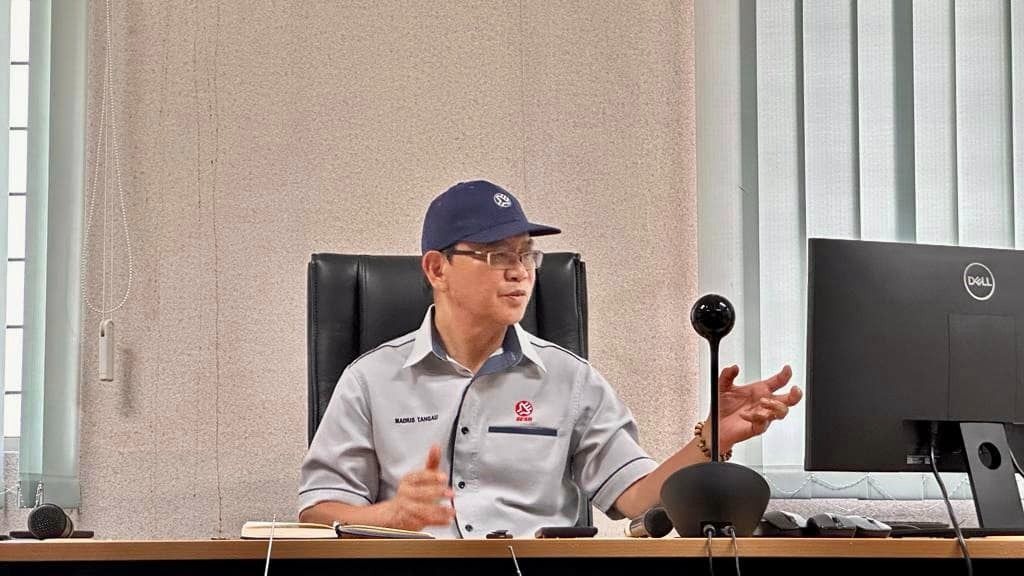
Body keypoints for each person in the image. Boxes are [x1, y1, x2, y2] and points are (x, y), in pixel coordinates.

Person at [299, 180, 802, 538]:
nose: (520, 272)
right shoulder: (371, 380)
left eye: (526, 254)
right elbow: (317, 508)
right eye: (497, 255)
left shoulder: (569, 380)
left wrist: (712, 438)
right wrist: (391, 516)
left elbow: (634, 497)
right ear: (437, 269)